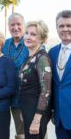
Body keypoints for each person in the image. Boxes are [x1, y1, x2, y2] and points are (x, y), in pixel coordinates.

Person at [19, 20, 52, 139]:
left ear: (41, 39)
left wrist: (37, 119)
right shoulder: (30, 57)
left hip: (36, 111)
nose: (28, 37)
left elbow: (46, 91)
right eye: (27, 33)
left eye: (33, 34)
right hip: (28, 109)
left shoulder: (42, 58)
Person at [2, 13, 28, 139]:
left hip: (29, 99)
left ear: (24, 26)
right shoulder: (4, 44)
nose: (15, 27)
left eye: (19, 24)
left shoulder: (31, 42)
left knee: (36, 133)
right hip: (11, 99)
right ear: (8, 27)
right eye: (12, 24)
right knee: (21, 134)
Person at [49, 10, 71, 139]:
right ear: (56, 28)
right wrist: (52, 109)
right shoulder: (52, 52)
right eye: (61, 26)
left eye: (69, 25)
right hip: (59, 118)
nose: (65, 29)